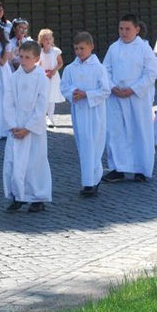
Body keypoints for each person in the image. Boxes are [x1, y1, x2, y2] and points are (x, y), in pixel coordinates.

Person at [102, 14, 157, 182]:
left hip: (137, 98)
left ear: (137, 29)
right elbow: (105, 70)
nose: (124, 32)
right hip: (116, 96)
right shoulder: (114, 48)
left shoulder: (144, 49)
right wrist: (112, 86)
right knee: (115, 132)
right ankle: (117, 167)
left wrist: (133, 89)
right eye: (121, 29)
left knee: (140, 131)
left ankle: (141, 168)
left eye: (127, 29)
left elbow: (150, 73)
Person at [2, 40, 51, 213]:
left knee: (34, 163)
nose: (23, 60)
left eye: (27, 57)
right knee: (13, 162)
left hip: (33, 129)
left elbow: (41, 104)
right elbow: (7, 102)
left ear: (37, 58)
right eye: (21, 56)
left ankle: (37, 197)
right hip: (16, 125)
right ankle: (17, 195)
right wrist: (13, 125)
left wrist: (28, 128)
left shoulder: (41, 78)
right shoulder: (14, 77)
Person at [60, 32, 111, 196]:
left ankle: (93, 181)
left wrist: (87, 95)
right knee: (84, 146)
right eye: (76, 49)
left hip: (94, 112)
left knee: (95, 144)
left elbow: (105, 90)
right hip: (79, 111)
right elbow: (64, 86)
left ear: (91, 47)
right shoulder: (70, 68)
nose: (79, 52)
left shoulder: (99, 68)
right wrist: (73, 93)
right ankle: (88, 181)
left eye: (82, 48)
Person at [37, 28, 65, 128]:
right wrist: (42, 72)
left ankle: (50, 118)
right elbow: (38, 63)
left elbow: (60, 63)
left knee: (51, 97)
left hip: (53, 76)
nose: (48, 41)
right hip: (43, 76)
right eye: (45, 39)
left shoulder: (55, 51)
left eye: (49, 38)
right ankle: (42, 117)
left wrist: (54, 70)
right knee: (44, 96)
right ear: (41, 40)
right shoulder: (40, 52)